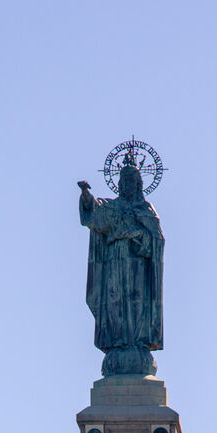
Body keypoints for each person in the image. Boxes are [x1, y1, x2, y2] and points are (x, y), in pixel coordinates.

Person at [78, 160, 164, 375]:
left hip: (138, 268)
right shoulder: (112, 208)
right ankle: (117, 343)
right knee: (115, 303)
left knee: (136, 304)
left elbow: (156, 241)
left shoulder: (145, 210)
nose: (127, 185)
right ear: (119, 183)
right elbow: (95, 214)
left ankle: (137, 343)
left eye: (132, 181)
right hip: (115, 263)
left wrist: (135, 234)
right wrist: (86, 196)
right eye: (124, 180)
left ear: (139, 184)